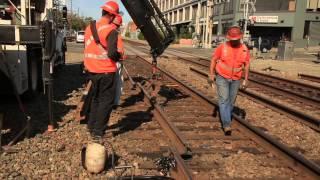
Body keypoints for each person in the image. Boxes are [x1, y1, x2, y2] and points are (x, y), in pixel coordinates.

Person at [83, 1, 121, 141]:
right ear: (111, 15)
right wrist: (119, 56)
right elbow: (111, 54)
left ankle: (91, 125)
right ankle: (98, 132)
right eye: (114, 16)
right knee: (106, 101)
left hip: (91, 69)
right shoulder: (111, 30)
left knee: (96, 98)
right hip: (106, 71)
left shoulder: (89, 27)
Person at [209, 26, 250, 135]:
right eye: (232, 39)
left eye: (236, 39)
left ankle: (226, 117)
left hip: (236, 79)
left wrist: (246, 79)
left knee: (231, 102)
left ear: (240, 38)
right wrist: (211, 74)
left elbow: (246, 65)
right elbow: (213, 60)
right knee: (223, 100)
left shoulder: (244, 49)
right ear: (228, 38)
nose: (234, 41)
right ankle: (226, 124)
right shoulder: (222, 47)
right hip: (222, 77)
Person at [112, 15, 125, 107]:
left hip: (105, 62)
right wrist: (123, 57)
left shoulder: (104, 30)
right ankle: (115, 102)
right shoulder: (116, 34)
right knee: (118, 82)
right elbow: (120, 51)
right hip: (116, 61)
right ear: (118, 25)